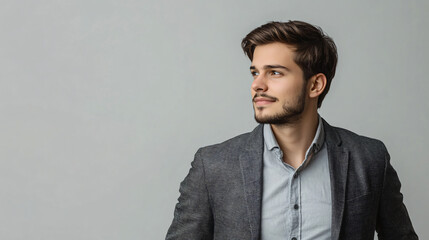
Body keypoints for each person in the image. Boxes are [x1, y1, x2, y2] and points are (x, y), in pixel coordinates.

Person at [165, 21, 418, 240]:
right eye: (255, 72)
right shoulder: (213, 166)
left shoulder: (370, 159)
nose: (257, 85)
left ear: (315, 85)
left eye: (274, 72)